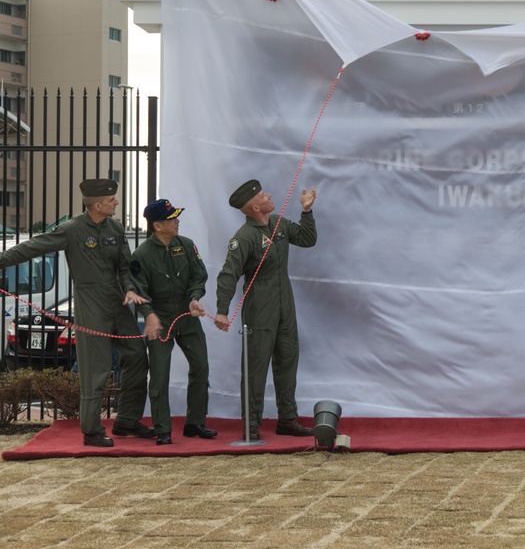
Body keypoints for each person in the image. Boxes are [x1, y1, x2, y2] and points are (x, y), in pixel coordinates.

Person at [0, 179, 153, 447]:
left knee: (137, 356)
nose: (116, 202)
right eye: (111, 200)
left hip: (118, 301)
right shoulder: (72, 230)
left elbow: (126, 267)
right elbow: (32, 247)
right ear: (97, 205)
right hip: (90, 301)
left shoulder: (115, 229)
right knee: (97, 367)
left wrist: (129, 288)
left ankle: (127, 420)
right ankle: (92, 430)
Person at [214, 180, 317, 440]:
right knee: (256, 366)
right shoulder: (244, 238)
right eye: (263, 195)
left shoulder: (279, 225)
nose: (269, 195)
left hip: (285, 303)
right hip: (260, 305)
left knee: (287, 360)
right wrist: (222, 310)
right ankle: (251, 424)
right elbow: (228, 275)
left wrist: (306, 211)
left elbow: (307, 239)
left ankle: (287, 419)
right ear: (255, 207)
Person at [131, 199, 217, 446]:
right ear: (157, 226)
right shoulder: (142, 255)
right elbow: (139, 290)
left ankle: (195, 423)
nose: (177, 221)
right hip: (160, 319)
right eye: (172, 218)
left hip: (187, 316)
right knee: (159, 375)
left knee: (200, 366)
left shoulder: (187, 246)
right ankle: (163, 428)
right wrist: (149, 314)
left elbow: (199, 275)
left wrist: (194, 298)